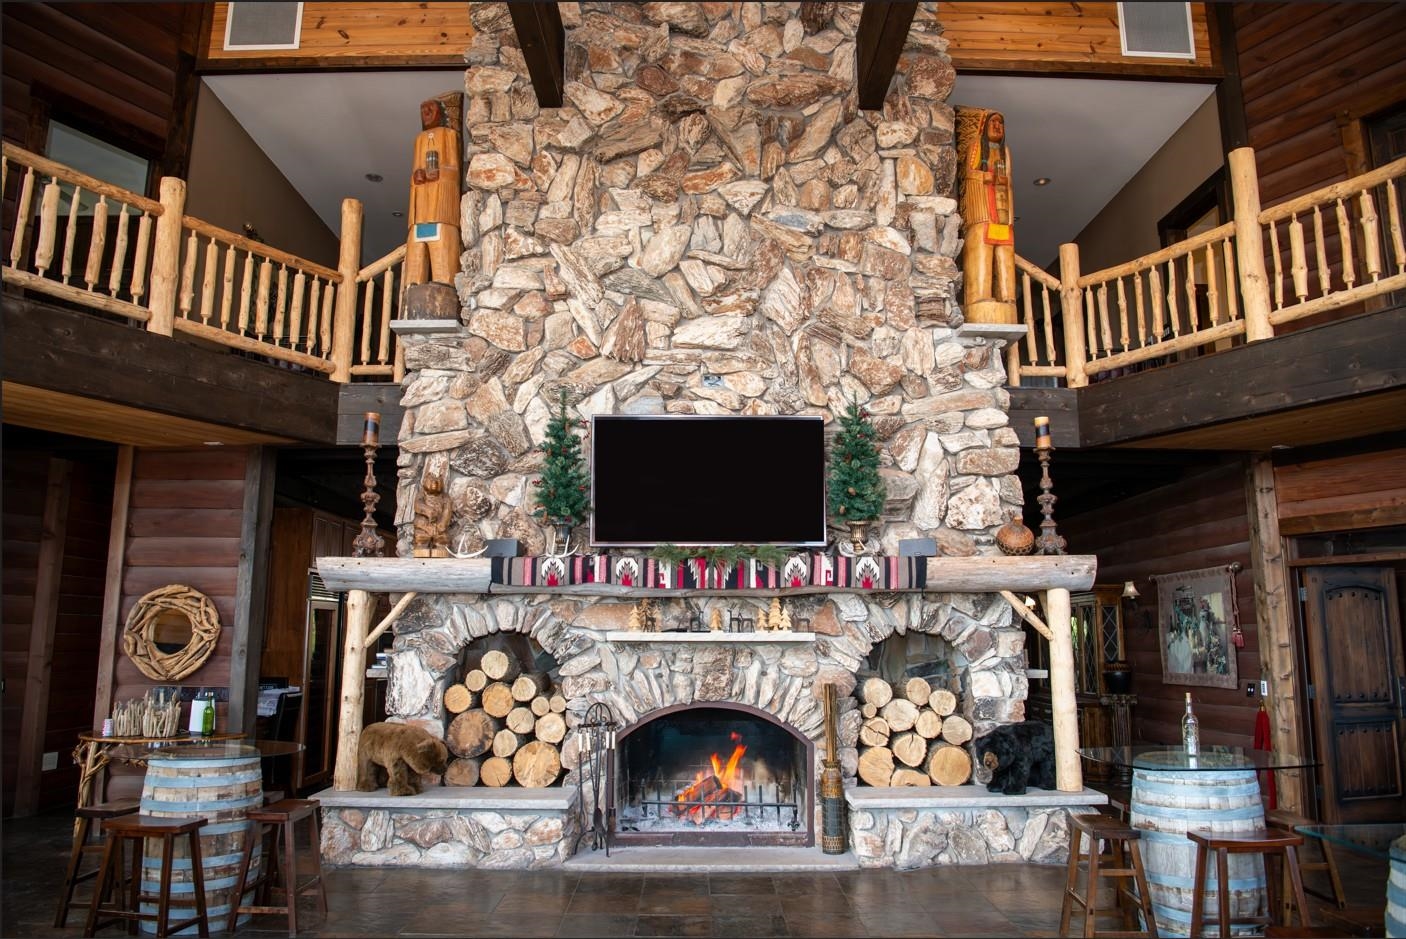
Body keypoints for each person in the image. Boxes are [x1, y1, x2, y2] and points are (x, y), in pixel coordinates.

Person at [957, 108, 1016, 325]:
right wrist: (988, 177)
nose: (998, 126)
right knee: (982, 249)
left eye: (1001, 123)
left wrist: (1003, 181)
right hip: (983, 209)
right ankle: (981, 295)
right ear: (984, 126)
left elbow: (1008, 177)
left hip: (1003, 211)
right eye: (993, 122)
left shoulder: (1004, 151)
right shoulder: (976, 146)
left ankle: (1008, 296)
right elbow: (970, 173)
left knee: (1005, 251)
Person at [405, 94, 463, 288]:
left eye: (431, 108)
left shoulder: (449, 136)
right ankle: (411, 289)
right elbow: (415, 171)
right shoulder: (419, 140)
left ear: (441, 113)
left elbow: (454, 171)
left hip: (441, 211)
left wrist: (440, 173)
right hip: (419, 214)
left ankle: (445, 288)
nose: (426, 112)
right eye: (423, 109)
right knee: (414, 264)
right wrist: (417, 175)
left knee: (443, 261)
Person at [412, 470, 453, 558]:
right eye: (431, 481)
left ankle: (440, 546)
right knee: (421, 536)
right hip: (424, 525)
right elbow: (417, 505)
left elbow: (447, 511)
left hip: (439, 525)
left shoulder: (445, 497)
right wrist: (428, 510)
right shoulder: (422, 494)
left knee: (442, 538)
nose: (434, 483)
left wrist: (443, 523)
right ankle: (422, 545)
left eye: (437, 481)